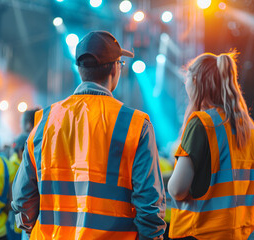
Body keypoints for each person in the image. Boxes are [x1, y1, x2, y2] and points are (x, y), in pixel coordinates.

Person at [11, 30, 166, 239]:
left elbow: (23, 198)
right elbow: (150, 206)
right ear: (114, 68)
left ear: (80, 69)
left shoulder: (44, 122)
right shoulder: (135, 125)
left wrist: (31, 226)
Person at [167, 52, 254, 239]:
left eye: (186, 78)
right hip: (237, 232)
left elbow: (177, 190)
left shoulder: (202, 123)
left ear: (196, 81)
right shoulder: (249, 128)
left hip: (200, 232)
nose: (184, 84)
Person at [7, 108, 40, 240]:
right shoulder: (47, 137)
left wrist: (27, 226)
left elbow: (22, 192)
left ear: (27, 124)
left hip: (28, 218)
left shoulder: (24, 139)